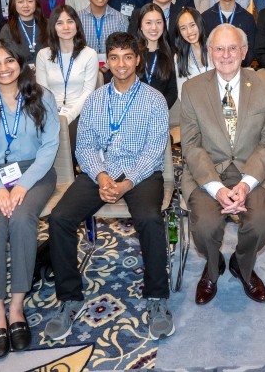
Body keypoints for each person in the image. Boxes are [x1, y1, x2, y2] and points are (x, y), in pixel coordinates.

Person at [45, 32, 174, 341]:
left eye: (127, 57)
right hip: (99, 173)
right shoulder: (96, 99)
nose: (121, 64)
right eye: (114, 57)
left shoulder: (154, 100)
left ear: (138, 60)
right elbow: (85, 145)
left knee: (150, 219)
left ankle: (156, 298)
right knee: (60, 218)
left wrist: (126, 182)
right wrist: (102, 177)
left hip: (140, 175)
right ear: (107, 61)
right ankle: (69, 298)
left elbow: (155, 149)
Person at [0, 39, 58, 357]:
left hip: (35, 173)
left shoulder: (42, 97)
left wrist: (21, 186)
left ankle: (17, 306)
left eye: (9, 61)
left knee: (21, 219)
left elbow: (49, 149)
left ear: (21, 64)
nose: (3, 68)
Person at [181, 24, 265, 305]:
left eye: (233, 48)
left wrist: (247, 184)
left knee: (261, 221)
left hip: (252, 170)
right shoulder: (192, 90)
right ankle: (212, 270)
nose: (226, 55)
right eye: (219, 48)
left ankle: (241, 264)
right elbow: (190, 145)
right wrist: (215, 188)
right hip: (207, 171)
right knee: (205, 226)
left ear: (244, 51)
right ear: (209, 52)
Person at [34, 5, 99, 162]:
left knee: (71, 135)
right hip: (50, 111)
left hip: (80, 113)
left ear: (77, 24)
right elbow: (42, 91)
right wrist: (54, 116)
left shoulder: (89, 54)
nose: (66, 27)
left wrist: (67, 116)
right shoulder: (44, 55)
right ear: (53, 27)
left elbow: (88, 92)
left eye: (70, 21)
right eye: (60, 22)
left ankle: (72, 174)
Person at [202, 0, 257, 66]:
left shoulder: (248, 18)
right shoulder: (205, 17)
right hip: (212, 69)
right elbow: (203, 48)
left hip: (240, 70)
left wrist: (234, 65)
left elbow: (251, 49)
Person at [129, 3, 178, 108]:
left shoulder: (170, 54)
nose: (154, 27)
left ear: (164, 25)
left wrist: (158, 109)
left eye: (159, 22)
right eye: (148, 23)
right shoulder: (131, 54)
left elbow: (172, 90)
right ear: (140, 26)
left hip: (160, 112)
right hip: (132, 112)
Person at [77, 0, 128, 69]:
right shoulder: (78, 18)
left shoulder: (121, 19)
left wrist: (106, 67)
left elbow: (124, 49)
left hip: (114, 68)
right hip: (83, 68)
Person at [0, 0, 48, 67]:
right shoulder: (7, 29)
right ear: (14, 4)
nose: (26, 5)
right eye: (20, 2)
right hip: (19, 73)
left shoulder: (48, 25)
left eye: (30, 1)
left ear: (36, 3)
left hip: (46, 71)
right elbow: (5, 57)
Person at [172, 8, 214, 97]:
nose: (189, 31)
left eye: (192, 25)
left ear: (200, 23)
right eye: (183, 28)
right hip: (195, 106)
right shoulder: (179, 57)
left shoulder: (215, 48)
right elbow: (181, 91)